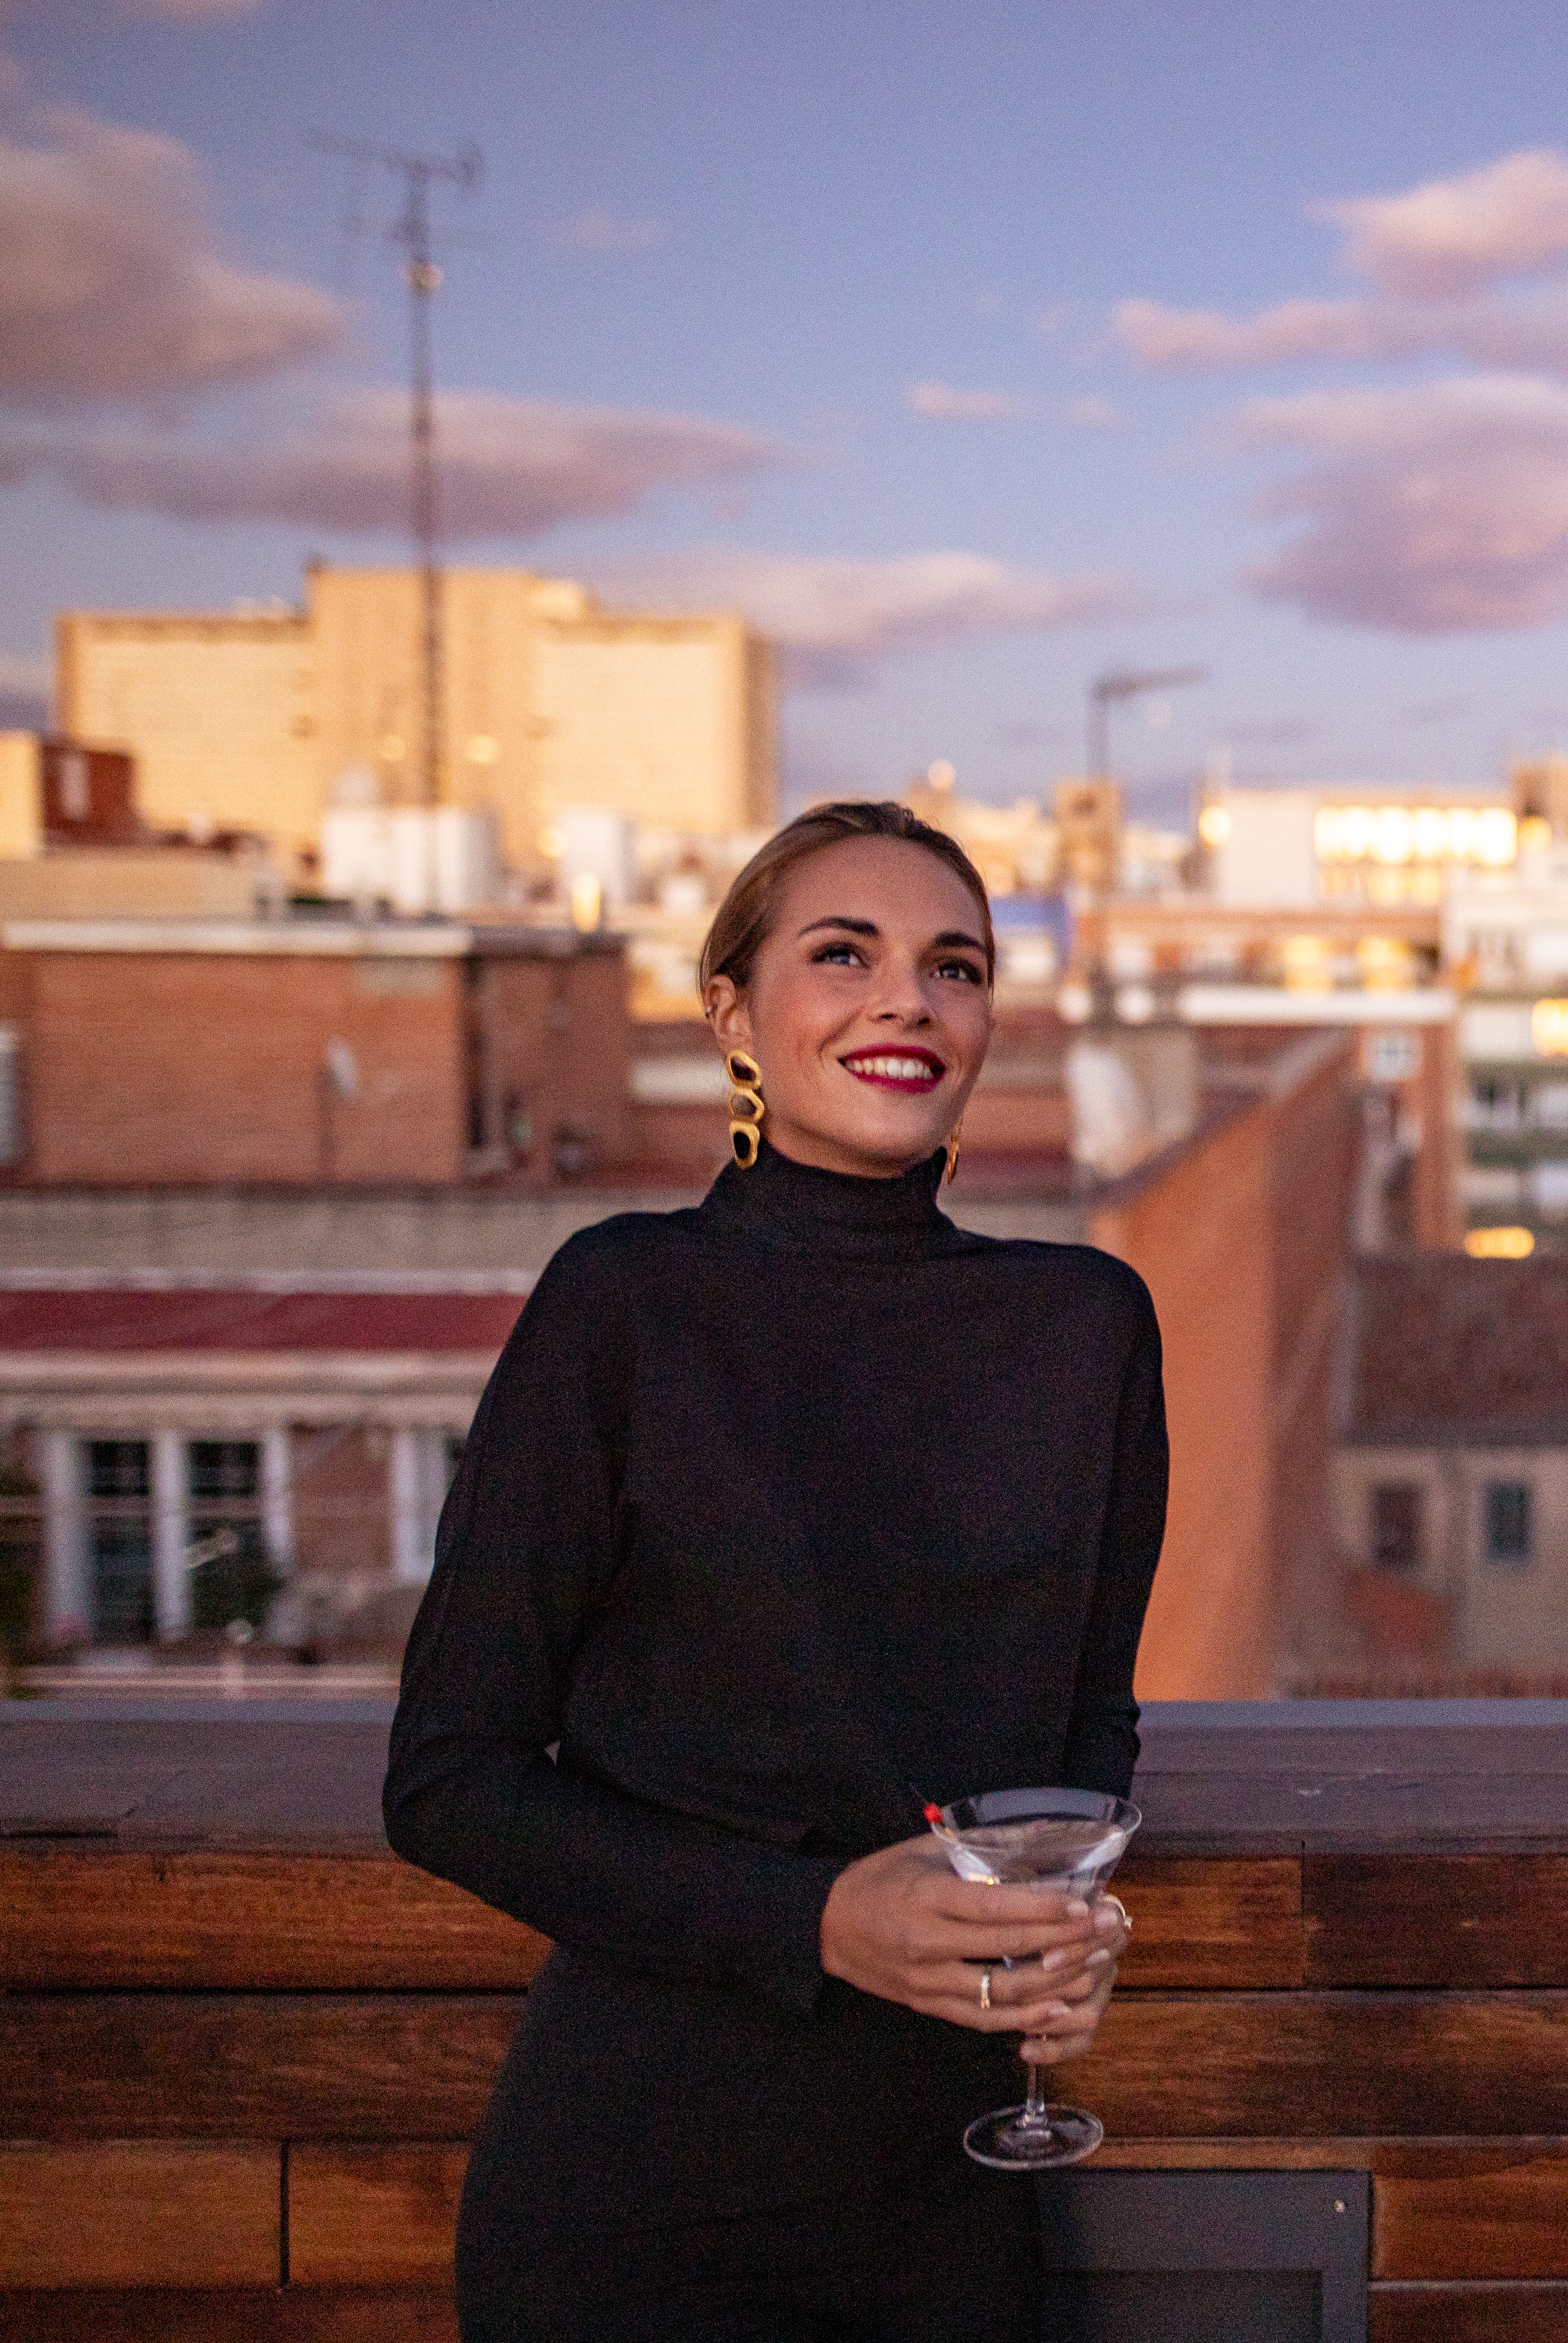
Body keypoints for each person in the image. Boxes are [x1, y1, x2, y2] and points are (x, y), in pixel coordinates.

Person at [387, 800, 1170, 2343]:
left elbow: (1087, 1731)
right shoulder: (622, 1307)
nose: (908, 1000)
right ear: (732, 1014)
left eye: (956, 967)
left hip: (945, 2187)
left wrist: (1073, 1925)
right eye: (843, 954)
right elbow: (448, 1779)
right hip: (639, 2194)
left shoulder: (1088, 1326)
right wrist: (817, 1917)